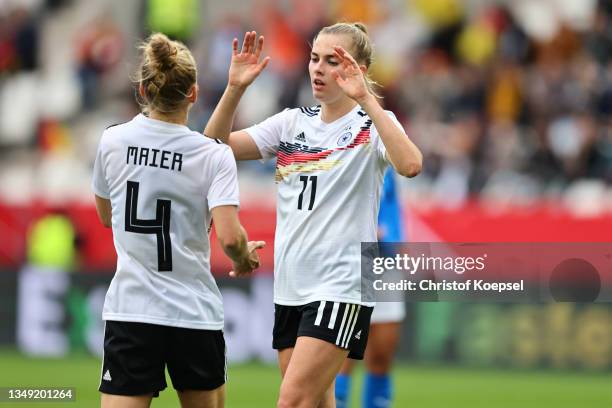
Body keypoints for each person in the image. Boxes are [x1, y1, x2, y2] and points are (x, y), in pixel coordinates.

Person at [204, 24, 422, 407]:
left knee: (291, 401)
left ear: (359, 68)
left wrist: (367, 99)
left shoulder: (371, 126)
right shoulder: (291, 123)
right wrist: (235, 89)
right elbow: (214, 147)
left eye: (332, 61)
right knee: (319, 401)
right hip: (292, 285)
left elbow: (410, 164)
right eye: (314, 58)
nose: (318, 69)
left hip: (342, 284)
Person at [91, 32, 264, 408]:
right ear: (194, 93)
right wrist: (243, 258)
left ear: (142, 88)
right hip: (193, 313)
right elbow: (232, 239)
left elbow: (107, 217)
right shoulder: (213, 155)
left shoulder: (112, 141)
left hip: (132, 310)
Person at [335, 167, 407, 408]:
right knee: (340, 355)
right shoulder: (339, 151)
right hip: (347, 263)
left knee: (381, 355)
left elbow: (393, 207)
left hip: (385, 261)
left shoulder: (388, 150)